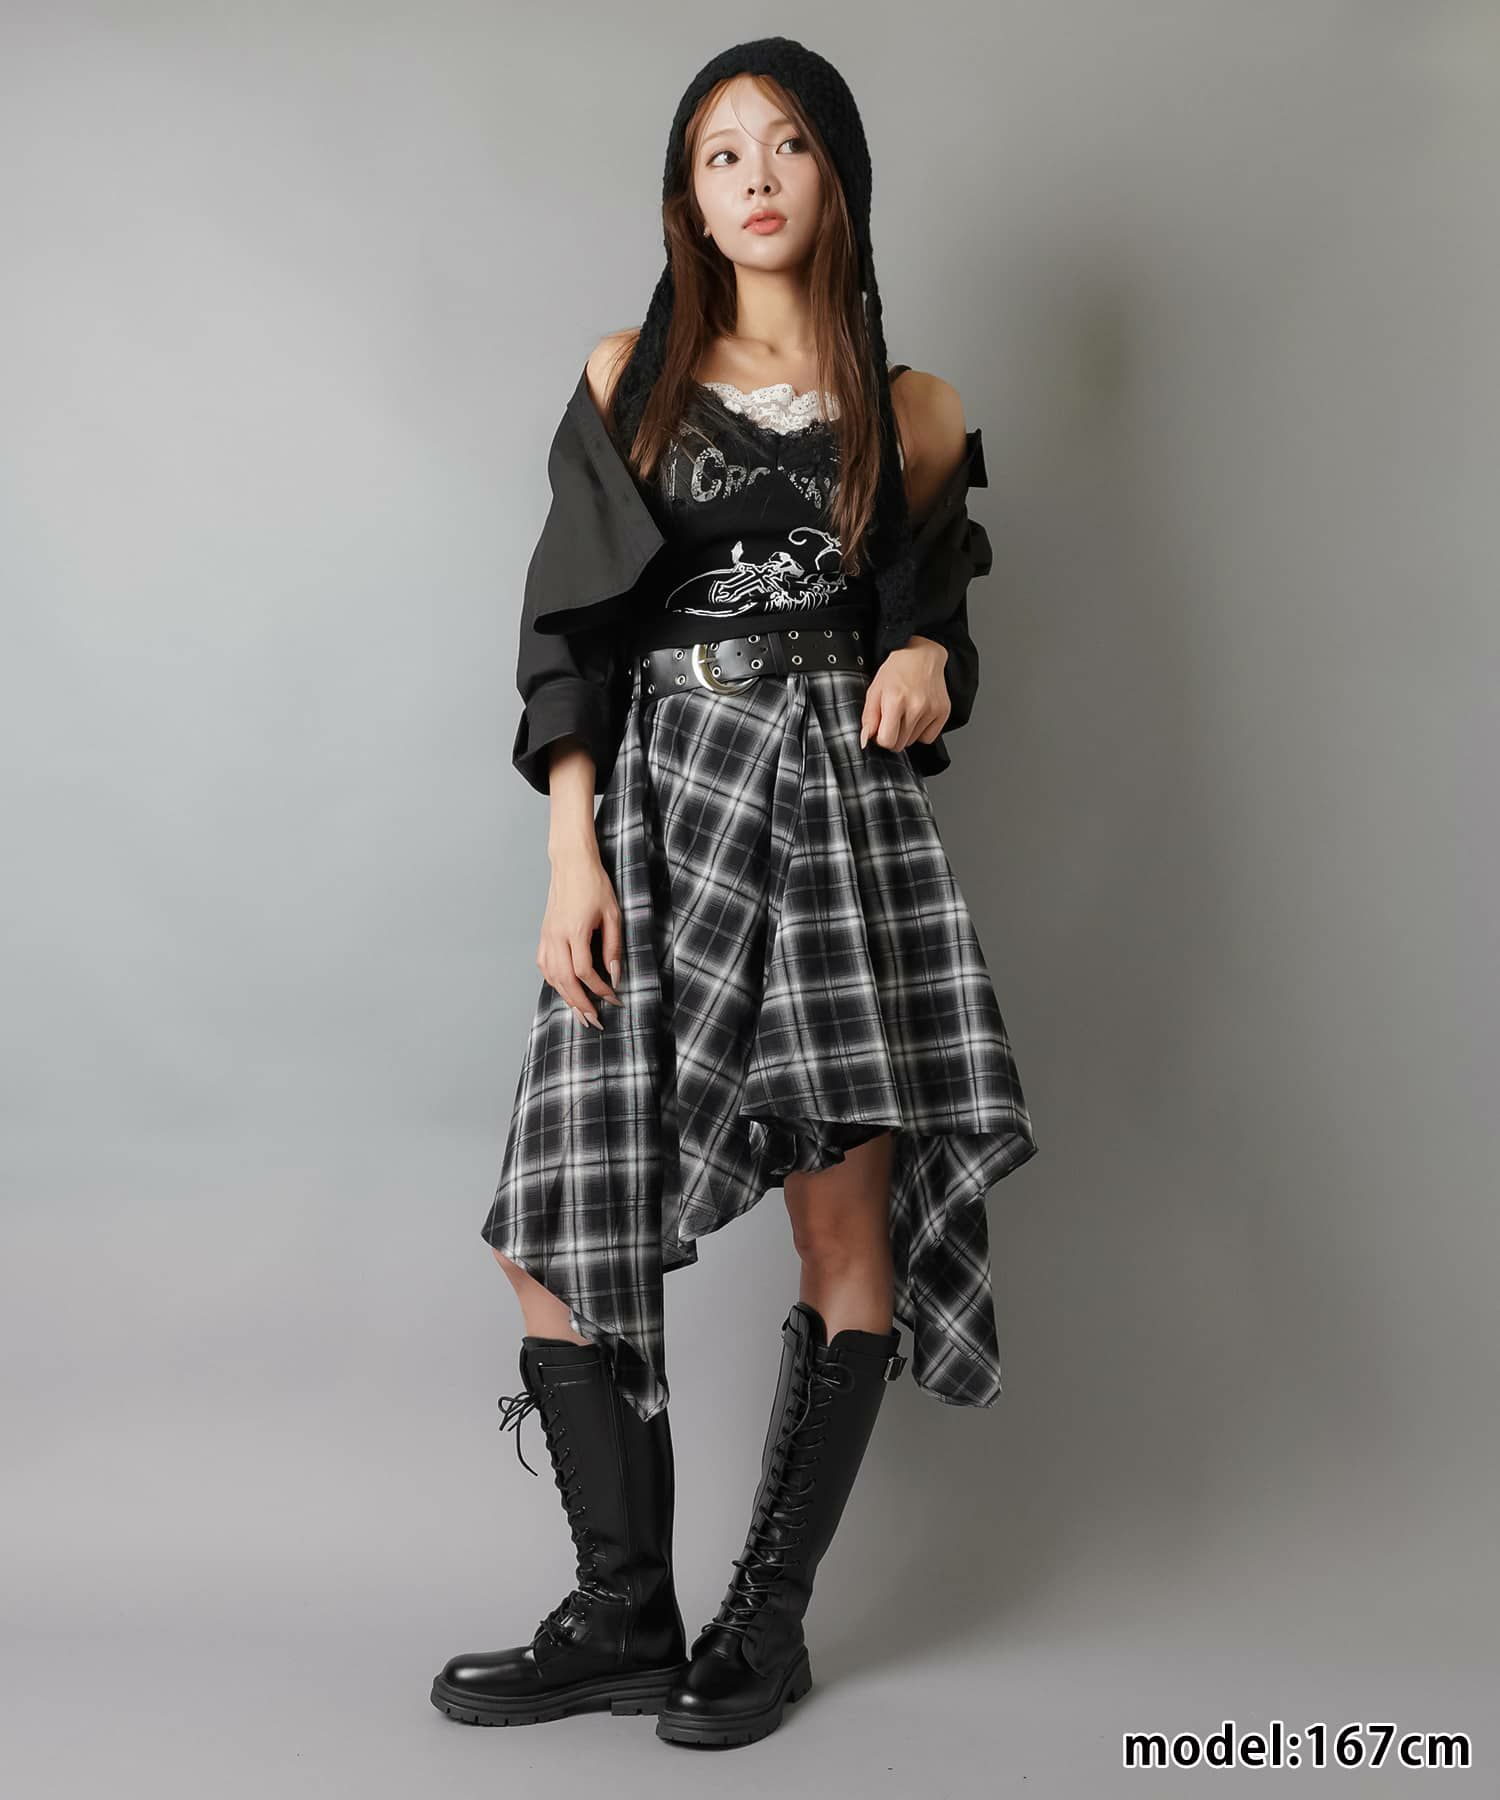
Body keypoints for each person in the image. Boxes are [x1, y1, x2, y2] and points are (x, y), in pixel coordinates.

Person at [430, 36, 1038, 1749]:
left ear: (838, 174)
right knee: (559, 1215)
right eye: (720, 153)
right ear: (686, 200)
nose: (755, 176)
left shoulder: (919, 414)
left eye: (786, 146)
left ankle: (763, 1624)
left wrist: (922, 653)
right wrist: (574, 850)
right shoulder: (630, 379)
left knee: (844, 1228)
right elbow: (570, 632)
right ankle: (622, 1612)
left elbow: (937, 630)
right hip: (662, 815)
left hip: (837, 832)